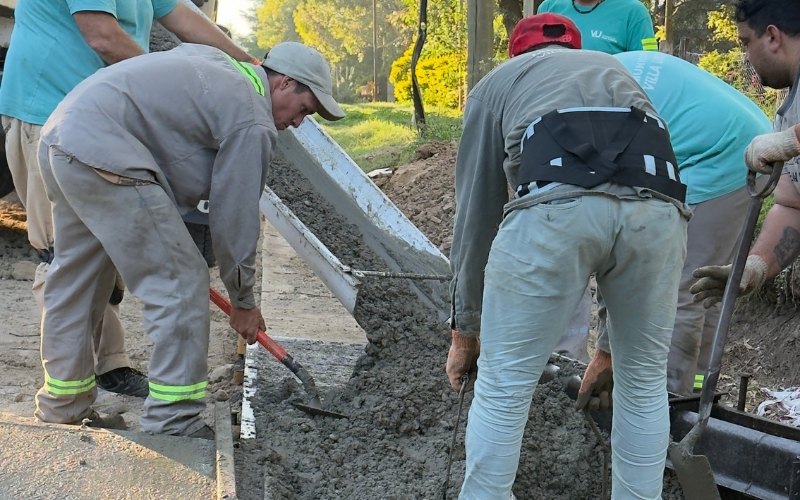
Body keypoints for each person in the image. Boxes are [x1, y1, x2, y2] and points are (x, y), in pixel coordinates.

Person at [34, 41, 344, 437]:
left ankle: (62, 407)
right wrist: (243, 301)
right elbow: (235, 219)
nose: (299, 123)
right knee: (181, 283)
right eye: (304, 109)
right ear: (283, 83)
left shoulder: (214, 63)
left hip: (62, 137)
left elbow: (175, 153)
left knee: (78, 278)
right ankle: (173, 422)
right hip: (106, 154)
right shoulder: (253, 120)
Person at [446, 13, 690, 499]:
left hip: (555, 207)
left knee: (505, 385)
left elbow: (477, 215)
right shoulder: (613, 71)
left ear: (517, 54)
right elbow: (621, 195)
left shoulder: (498, 83)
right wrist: (606, 348)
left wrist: (466, 330)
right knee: (642, 385)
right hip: (659, 211)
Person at [0, 0, 260, 398]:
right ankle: (70, 386)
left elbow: (183, 18)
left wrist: (247, 67)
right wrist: (181, 87)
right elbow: (102, 36)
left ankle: (105, 367)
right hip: (51, 114)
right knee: (67, 258)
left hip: (108, 123)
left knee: (103, 255)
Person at [563, 50, 773, 402]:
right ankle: (696, 393)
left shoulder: (579, 102)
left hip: (716, 153)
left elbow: (613, 224)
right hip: (742, 134)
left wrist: (606, 349)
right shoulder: (601, 67)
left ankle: (668, 402)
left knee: (681, 288)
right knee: (705, 287)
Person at [693, 1, 800, 325]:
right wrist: (755, 266)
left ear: (771, 37)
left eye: (745, 43)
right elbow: (792, 206)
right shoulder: (787, 113)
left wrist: (791, 141)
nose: (746, 57)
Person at [536, 0, 657, 54]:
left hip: (609, 102)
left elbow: (647, 65)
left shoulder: (635, 12)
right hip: (555, 99)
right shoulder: (548, 7)